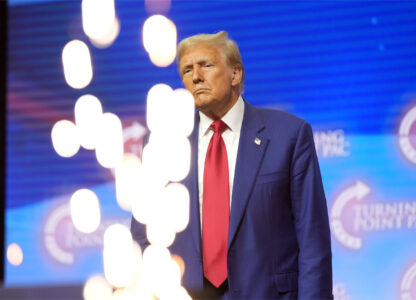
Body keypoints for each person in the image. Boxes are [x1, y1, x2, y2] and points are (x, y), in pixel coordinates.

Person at [131, 31, 333, 299]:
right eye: (186, 70)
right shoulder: (163, 143)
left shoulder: (289, 135)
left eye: (206, 65)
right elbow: (144, 234)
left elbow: (312, 240)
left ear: (235, 74)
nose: (195, 76)